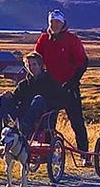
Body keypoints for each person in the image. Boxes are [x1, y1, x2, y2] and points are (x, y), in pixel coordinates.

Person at [35, 9, 90, 160]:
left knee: (77, 122)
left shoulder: (72, 40)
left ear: (63, 23)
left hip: (69, 88)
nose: (55, 25)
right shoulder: (43, 39)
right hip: (50, 88)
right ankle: (48, 153)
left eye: (58, 22)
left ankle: (84, 154)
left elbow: (83, 62)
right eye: (52, 22)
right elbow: (36, 60)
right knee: (47, 122)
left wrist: (73, 81)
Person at [0, 51, 70, 140]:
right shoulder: (24, 84)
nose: (31, 67)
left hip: (43, 119)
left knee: (38, 99)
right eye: (28, 65)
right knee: (4, 98)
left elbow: (62, 100)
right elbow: (15, 99)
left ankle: (23, 127)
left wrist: (51, 106)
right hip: (22, 116)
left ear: (40, 65)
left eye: (34, 64)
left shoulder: (50, 82)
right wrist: (9, 96)